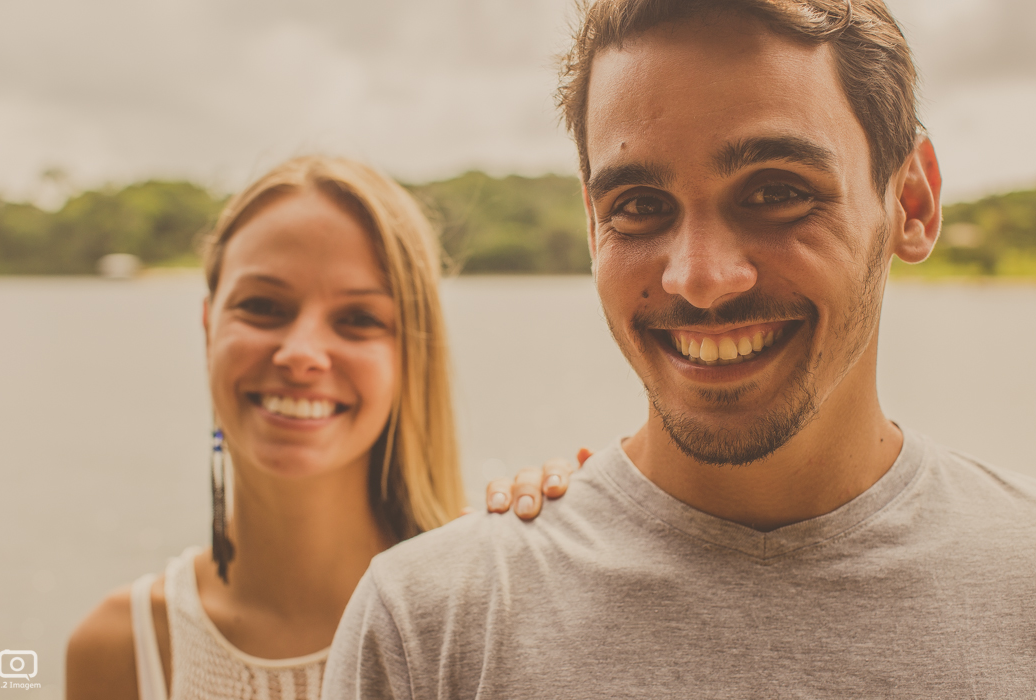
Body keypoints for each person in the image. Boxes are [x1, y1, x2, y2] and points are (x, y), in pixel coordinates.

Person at [322, 1, 1036, 697]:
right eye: (638, 205)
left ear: (911, 203)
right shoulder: (432, 626)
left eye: (776, 191)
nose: (699, 279)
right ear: (592, 223)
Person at [65, 156, 576, 699]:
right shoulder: (121, 648)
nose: (301, 354)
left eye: (358, 319)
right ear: (209, 325)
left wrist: (589, 527)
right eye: (263, 306)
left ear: (412, 354)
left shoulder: (503, 602)